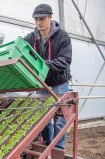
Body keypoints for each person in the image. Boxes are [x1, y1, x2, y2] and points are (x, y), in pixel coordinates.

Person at [24, 4, 72, 150]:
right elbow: (20, 49)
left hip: (59, 81)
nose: (39, 23)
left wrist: (41, 64)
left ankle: (58, 148)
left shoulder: (62, 36)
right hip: (42, 82)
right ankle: (47, 144)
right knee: (42, 117)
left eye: (42, 19)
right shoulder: (31, 38)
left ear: (50, 17)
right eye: (36, 19)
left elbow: (65, 61)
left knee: (59, 117)